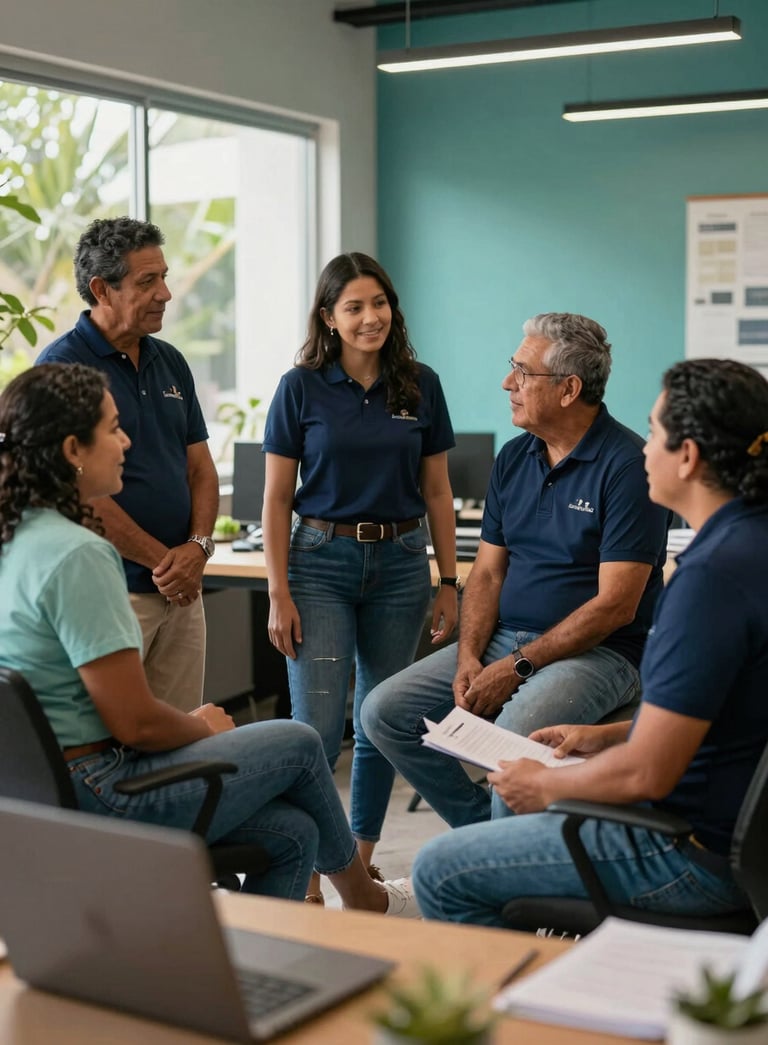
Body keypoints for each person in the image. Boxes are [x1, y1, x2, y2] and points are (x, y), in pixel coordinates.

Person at [0, 362, 418, 915]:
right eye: (113, 428)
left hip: (42, 793)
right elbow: (138, 724)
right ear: (74, 449)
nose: (127, 441)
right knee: (298, 741)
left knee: (292, 832)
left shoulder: (19, 536)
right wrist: (198, 727)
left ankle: (252, 974)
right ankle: (364, 897)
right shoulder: (79, 554)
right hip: (102, 790)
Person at [411, 357, 768, 926]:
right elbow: (725, 719)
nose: (644, 448)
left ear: (689, 457)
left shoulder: (707, 582)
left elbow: (645, 775)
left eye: (654, 434)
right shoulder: (748, 545)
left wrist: (550, 786)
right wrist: (605, 737)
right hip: (731, 839)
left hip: (688, 853)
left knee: (440, 870)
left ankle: (526, 1008)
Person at [363, 312, 670, 826]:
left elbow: (616, 605)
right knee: (384, 713)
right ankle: (485, 837)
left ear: (569, 389)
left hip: (602, 655)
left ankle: (497, 867)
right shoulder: (513, 457)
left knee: (509, 744)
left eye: (524, 372)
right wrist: (469, 655)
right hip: (509, 638)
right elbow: (486, 574)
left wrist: (515, 667)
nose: (509, 382)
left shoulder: (626, 467)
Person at [262, 252, 458, 903]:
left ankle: (363, 866)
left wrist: (449, 578)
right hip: (318, 561)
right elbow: (274, 499)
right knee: (315, 728)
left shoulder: (419, 384)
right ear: (329, 316)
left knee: (379, 717)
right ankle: (312, 875)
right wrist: (278, 591)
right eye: (354, 307)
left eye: (380, 303)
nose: (371, 317)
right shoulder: (301, 387)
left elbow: (437, 490)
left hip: (403, 563)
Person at [36, 217, 217, 712]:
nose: (166, 293)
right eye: (147, 281)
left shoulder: (171, 361)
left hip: (182, 590)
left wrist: (197, 550)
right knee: (115, 742)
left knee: (183, 746)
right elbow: (78, 495)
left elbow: (199, 468)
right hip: (112, 595)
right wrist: (164, 562)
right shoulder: (61, 370)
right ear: (101, 289)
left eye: (164, 276)